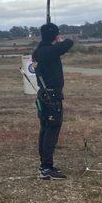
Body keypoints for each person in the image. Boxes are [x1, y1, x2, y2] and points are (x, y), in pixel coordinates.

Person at [32, 23, 74, 180]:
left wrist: (51, 39)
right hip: (51, 97)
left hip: (45, 95)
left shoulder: (39, 51)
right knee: (51, 131)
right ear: (53, 36)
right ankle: (46, 168)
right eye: (56, 34)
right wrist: (58, 39)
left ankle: (45, 165)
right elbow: (68, 43)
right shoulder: (48, 51)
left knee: (45, 129)